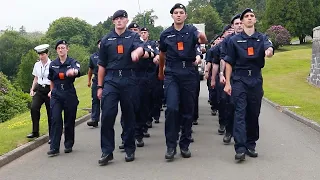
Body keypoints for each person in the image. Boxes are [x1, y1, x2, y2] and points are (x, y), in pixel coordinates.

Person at [158, 3, 207, 160]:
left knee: (188, 110)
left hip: (188, 73)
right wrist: (161, 72)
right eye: (176, 13)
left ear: (185, 16)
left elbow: (204, 41)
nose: (178, 15)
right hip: (172, 73)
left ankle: (184, 144)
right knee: (172, 108)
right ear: (172, 16)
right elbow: (162, 54)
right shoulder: (165, 34)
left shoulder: (192, 31)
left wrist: (201, 35)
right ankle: (170, 146)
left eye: (181, 12)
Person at [223, 8, 274, 161]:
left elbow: (269, 47)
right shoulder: (234, 40)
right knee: (240, 113)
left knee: (253, 113)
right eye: (246, 16)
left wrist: (269, 51)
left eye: (252, 16)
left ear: (255, 20)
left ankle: (251, 144)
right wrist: (228, 83)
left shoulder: (262, 37)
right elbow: (229, 62)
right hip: (239, 79)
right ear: (242, 21)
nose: (249, 18)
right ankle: (240, 147)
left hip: (256, 80)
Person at [97, 10, 145, 165]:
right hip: (111, 79)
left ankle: (130, 148)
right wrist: (99, 86)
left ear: (126, 20)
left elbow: (140, 48)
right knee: (107, 115)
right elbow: (102, 65)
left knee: (129, 115)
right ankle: (107, 151)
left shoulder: (133, 36)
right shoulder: (106, 40)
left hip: (128, 78)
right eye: (116, 19)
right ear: (113, 22)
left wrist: (137, 52)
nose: (119, 21)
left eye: (122, 18)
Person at [211, 14, 243, 144]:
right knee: (229, 104)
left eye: (241, 23)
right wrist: (222, 74)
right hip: (232, 76)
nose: (240, 25)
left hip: (245, 76)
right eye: (237, 23)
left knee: (242, 107)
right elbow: (224, 58)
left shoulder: (252, 38)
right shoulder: (227, 41)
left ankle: (241, 136)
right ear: (232, 26)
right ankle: (228, 130)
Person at [47, 40, 81, 157]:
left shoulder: (72, 62)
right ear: (56, 50)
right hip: (56, 93)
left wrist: (73, 72)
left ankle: (68, 144)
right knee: (56, 119)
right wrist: (51, 91)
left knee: (69, 120)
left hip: (69, 92)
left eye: (63, 47)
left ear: (67, 49)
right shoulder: (53, 64)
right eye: (59, 48)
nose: (61, 50)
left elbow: (77, 69)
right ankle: (54, 147)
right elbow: (51, 78)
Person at [27, 44, 52, 144]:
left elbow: (54, 79)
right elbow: (36, 78)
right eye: (40, 55)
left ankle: (52, 135)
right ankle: (35, 131)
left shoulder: (52, 64)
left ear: (47, 54)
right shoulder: (37, 65)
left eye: (43, 54)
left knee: (51, 113)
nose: (41, 56)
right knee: (34, 108)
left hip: (49, 89)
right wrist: (32, 89)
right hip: (40, 89)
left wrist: (52, 90)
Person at [87, 39, 102, 128]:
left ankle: (106, 118)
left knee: (106, 101)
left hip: (107, 80)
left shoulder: (109, 55)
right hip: (96, 80)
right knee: (95, 100)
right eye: (99, 44)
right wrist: (88, 81)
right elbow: (90, 70)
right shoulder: (93, 57)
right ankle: (94, 119)